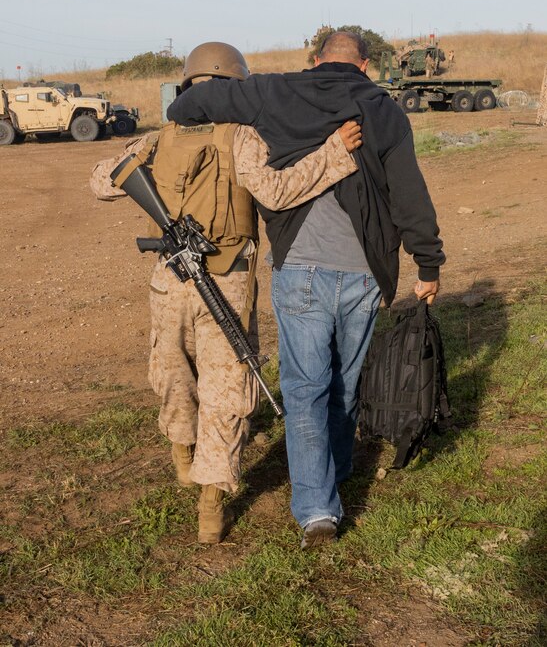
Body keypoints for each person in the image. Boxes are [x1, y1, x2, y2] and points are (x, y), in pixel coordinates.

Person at [167, 30, 445, 550]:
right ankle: (335, 472)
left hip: (301, 271)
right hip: (365, 272)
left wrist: (184, 110)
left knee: (305, 387)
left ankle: (317, 510)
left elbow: (196, 103)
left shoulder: (273, 91)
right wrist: (427, 263)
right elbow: (410, 194)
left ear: (315, 61)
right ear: (364, 66)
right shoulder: (382, 110)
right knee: (345, 379)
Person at [91, 41, 362, 544]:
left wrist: (133, 174)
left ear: (189, 84)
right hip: (227, 280)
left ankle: (184, 454)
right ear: (238, 86)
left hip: (168, 280)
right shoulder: (242, 137)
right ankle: (210, 498)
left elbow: (102, 182)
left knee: (172, 369)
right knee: (225, 388)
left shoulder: (160, 137)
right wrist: (334, 154)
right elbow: (278, 193)